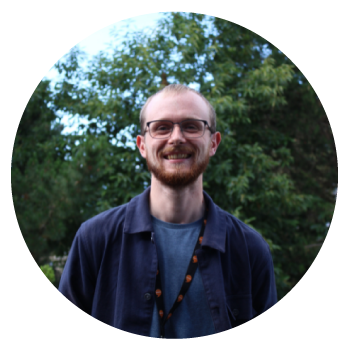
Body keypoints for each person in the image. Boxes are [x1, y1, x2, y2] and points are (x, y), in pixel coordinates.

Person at [59, 84, 277, 338]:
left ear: (214, 143)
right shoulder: (95, 238)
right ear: (142, 145)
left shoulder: (249, 248)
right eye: (162, 127)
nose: (176, 138)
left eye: (191, 126)